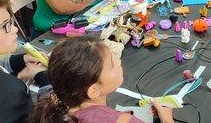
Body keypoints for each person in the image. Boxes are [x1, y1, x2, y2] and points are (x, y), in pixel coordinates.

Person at [30, 36, 174, 123]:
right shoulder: (121, 120)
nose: (118, 61)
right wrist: (167, 120)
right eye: (112, 64)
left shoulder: (54, 104)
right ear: (93, 90)